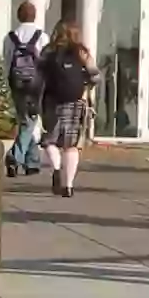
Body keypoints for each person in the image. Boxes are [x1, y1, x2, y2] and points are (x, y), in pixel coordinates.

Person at [36, 19, 97, 199]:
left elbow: (38, 77)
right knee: (71, 146)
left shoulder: (48, 51)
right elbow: (96, 77)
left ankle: (56, 168)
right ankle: (68, 186)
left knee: (49, 141)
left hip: (52, 101)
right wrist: (86, 87)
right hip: (76, 102)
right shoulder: (82, 52)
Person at [1, 2, 47, 178]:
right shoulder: (42, 36)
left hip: (17, 84)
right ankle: (14, 156)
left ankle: (32, 161)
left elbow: (6, 62)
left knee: (25, 120)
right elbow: (46, 62)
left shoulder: (10, 37)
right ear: (34, 15)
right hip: (36, 86)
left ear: (18, 16)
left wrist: (7, 82)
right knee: (30, 121)